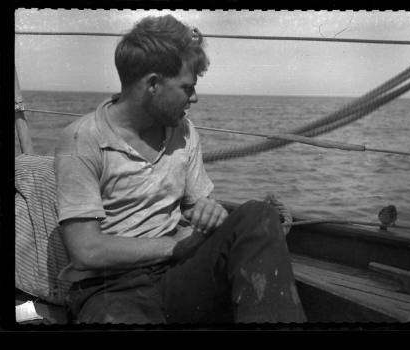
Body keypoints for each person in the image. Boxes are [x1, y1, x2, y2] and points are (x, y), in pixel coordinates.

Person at [54, 14, 306, 325]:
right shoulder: (82, 139)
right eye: (187, 87)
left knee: (259, 214)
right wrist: (175, 246)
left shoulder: (183, 132)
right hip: (108, 290)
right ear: (153, 84)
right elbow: (87, 250)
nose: (195, 97)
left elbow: (199, 204)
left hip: (175, 276)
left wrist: (210, 211)